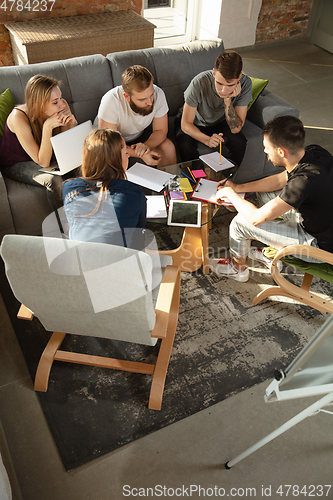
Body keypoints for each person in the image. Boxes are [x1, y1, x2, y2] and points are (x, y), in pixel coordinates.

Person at [210, 115, 333, 282]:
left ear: (281, 151)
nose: (265, 151)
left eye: (267, 147)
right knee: (265, 195)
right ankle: (271, 252)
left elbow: (254, 219)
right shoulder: (315, 152)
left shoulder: (302, 183)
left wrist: (230, 194)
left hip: (319, 246)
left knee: (240, 224)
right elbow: (279, 180)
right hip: (321, 222)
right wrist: (238, 187)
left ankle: (237, 269)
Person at [0, 74, 77, 210]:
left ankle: (91, 217)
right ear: (38, 103)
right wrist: (48, 127)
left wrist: (71, 125)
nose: (61, 104)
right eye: (55, 102)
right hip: (17, 163)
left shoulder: (61, 105)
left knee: (87, 166)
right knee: (54, 181)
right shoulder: (18, 117)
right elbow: (42, 162)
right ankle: (64, 226)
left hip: (48, 155)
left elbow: (64, 149)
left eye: (60, 98)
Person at [62, 128, 146, 249]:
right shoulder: (133, 193)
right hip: (117, 263)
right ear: (116, 160)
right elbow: (138, 239)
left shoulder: (68, 188)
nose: (128, 157)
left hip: (78, 261)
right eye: (126, 154)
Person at [175, 50, 252, 169]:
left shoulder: (246, 83)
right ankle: (197, 182)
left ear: (239, 77)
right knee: (185, 145)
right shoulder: (199, 82)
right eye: (219, 83)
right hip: (195, 121)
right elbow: (185, 124)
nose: (223, 90)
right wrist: (207, 140)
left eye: (230, 85)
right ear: (214, 73)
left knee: (239, 142)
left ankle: (226, 180)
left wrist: (227, 100)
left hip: (220, 121)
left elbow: (236, 129)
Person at [97, 65, 177, 168]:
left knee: (168, 147)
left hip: (138, 136)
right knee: (112, 155)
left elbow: (161, 130)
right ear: (127, 97)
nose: (149, 102)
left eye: (151, 95)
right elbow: (110, 144)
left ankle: (172, 183)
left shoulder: (158, 94)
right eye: (142, 99)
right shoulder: (110, 101)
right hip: (109, 141)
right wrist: (140, 154)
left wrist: (145, 147)